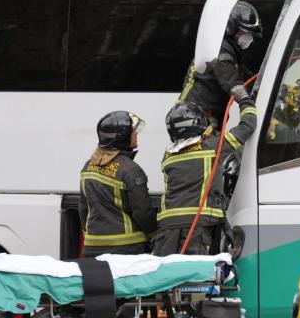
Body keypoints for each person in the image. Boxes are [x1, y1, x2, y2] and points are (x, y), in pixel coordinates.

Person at [153, 93, 257, 256]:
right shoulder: (213, 145)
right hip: (198, 224)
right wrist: (244, 99)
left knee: (169, 271)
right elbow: (248, 125)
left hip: (168, 225)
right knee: (197, 273)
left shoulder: (168, 155)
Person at [78, 111, 158, 257]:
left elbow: (83, 209)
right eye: (133, 132)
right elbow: (142, 212)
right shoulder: (130, 170)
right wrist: (156, 234)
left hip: (92, 248)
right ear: (122, 137)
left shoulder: (88, 166)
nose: (136, 135)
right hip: (125, 249)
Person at [178, 1, 262, 126]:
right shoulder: (219, 49)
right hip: (193, 116)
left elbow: (246, 77)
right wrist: (248, 106)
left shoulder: (232, 50)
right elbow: (232, 81)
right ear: (231, 28)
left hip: (206, 116)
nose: (249, 38)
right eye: (245, 33)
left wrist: (263, 87)